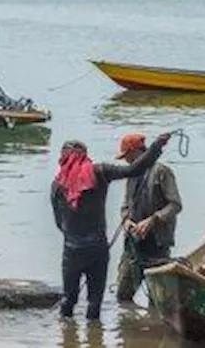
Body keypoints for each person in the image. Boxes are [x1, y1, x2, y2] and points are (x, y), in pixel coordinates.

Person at [50, 132, 170, 320]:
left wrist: (72, 236)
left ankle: (66, 337)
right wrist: (157, 146)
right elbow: (134, 170)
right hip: (98, 249)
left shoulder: (58, 185)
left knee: (69, 299)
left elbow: (59, 222)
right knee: (94, 302)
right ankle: (95, 338)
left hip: (72, 251)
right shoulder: (100, 172)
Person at [115, 133, 182, 303]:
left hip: (158, 243)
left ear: (136, 152)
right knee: (123, 295)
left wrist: (153, 220)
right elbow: (125, 205)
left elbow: (175, 205)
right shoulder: (130, 174)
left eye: (127, 156)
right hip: (134, 244)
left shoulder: (162, 172)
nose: (125, 161)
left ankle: (154, 327)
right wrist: (126, 220)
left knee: (157, 300)